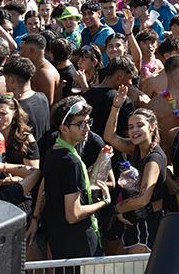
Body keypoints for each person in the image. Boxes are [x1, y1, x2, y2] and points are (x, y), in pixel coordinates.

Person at [41, 97, 111, 260]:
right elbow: (73, 214)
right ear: (63, 129)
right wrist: (104, 201)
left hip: (61, 244)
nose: (86, 128)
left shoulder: (53, 152)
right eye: (80, 124)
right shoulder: (71, 162)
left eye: (88, 122)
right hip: (80, 247)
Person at [104, 85, 167, 254]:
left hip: (148, 223)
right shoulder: (137, 149)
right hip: (135, 220)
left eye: (140, 125)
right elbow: (109, 137)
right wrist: (116, 107)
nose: (134, 131)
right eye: (131, 127)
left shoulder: (154, 159)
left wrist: (118, 209)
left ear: (152, 127)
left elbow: (142, 199)